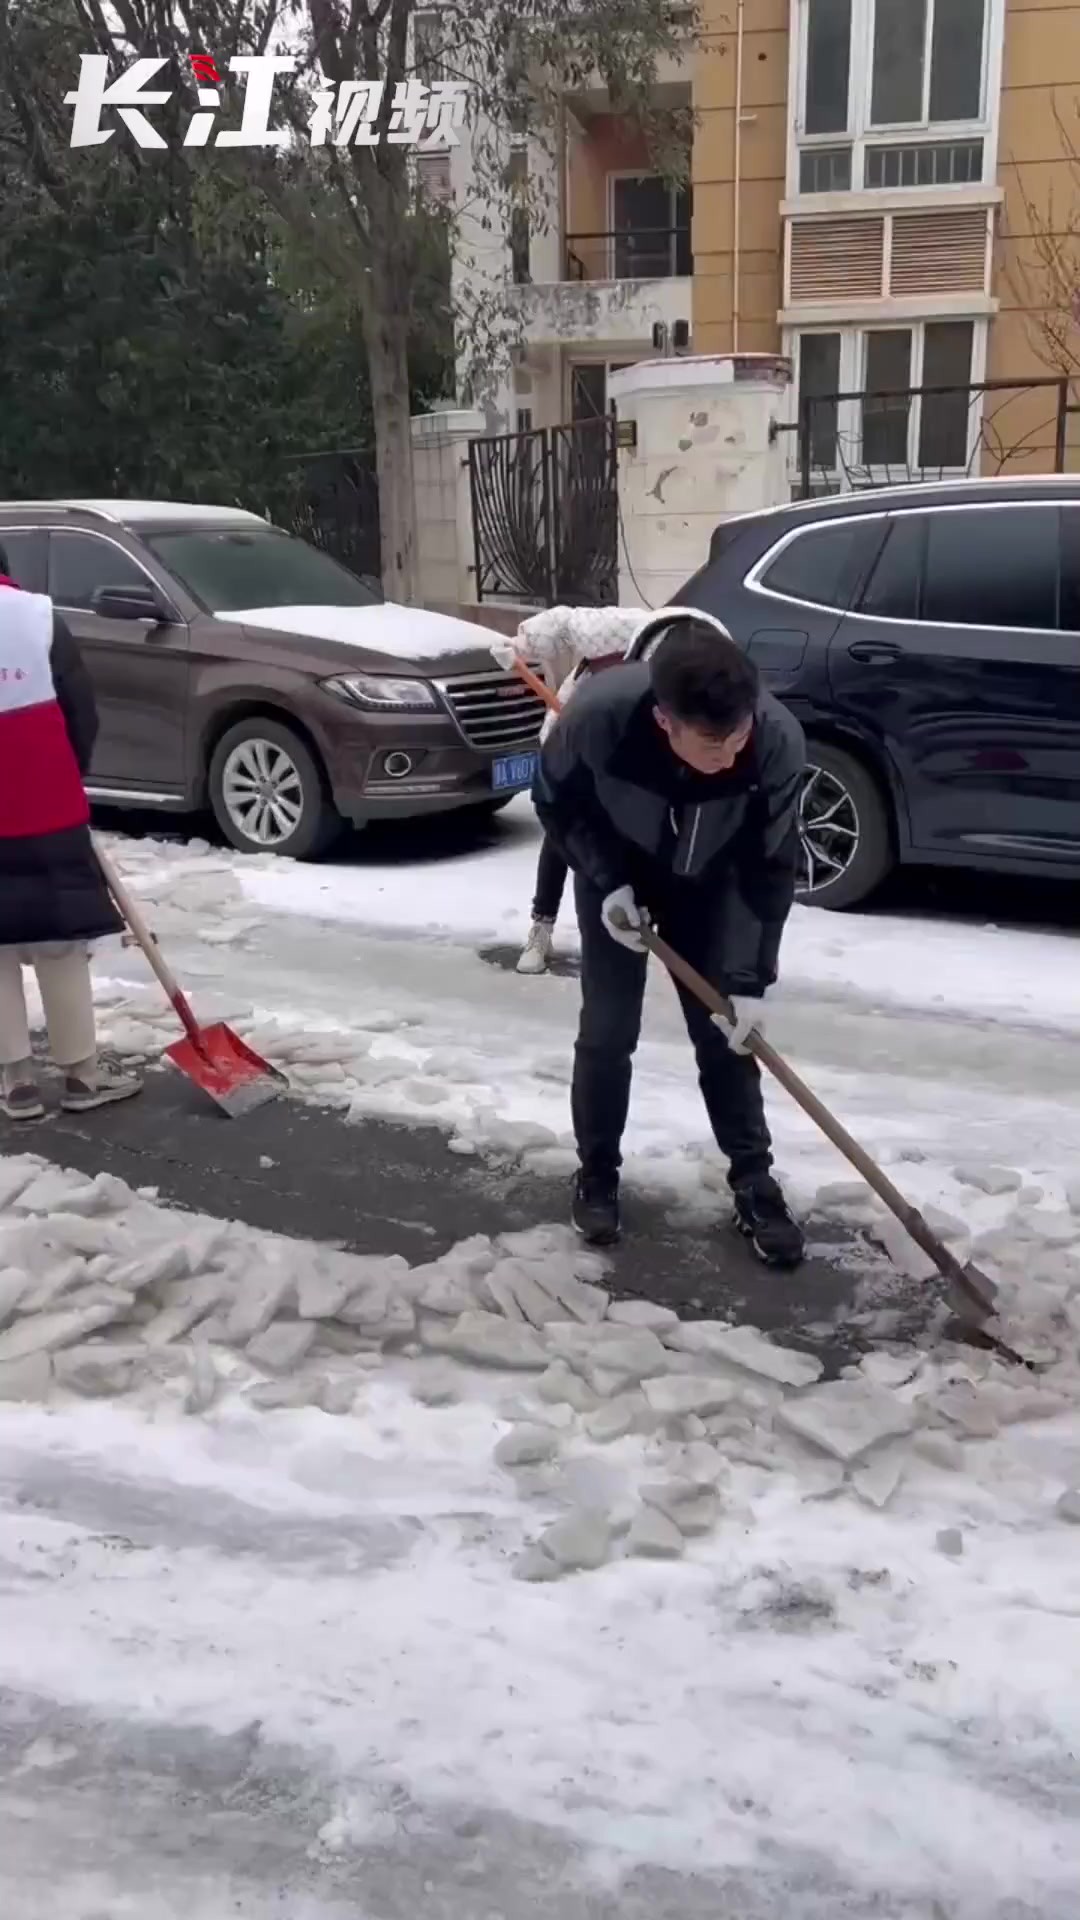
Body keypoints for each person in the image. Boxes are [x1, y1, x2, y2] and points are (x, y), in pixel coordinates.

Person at [533, 608, 806, 1267]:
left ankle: (753, 1179)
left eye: (736, 737)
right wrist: (607, 880)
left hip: (710, 882)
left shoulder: (773, 741)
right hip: (618, 875)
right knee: (607, 1029)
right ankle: (596, 1171)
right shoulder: (599, 717)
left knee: (725, 1031)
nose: (728, 756)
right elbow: (556, 803)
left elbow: (768, 870)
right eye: (710, 745)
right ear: (664, 720)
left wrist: (748, 981)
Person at [0, 544, 142, 1121]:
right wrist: (67, 775)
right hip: (45, 803)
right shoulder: (37, 615)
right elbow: (80, 709)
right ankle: (82, 1076)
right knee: (60, 940)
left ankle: (15, 1085)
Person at [491, 606, 646, 975]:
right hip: (570, 736)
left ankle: (625, 922)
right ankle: (540, 928)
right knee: (563, 833)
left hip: (623, 748)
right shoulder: (618, 628)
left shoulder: (669, 673)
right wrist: (519, 645)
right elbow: (561, 622)